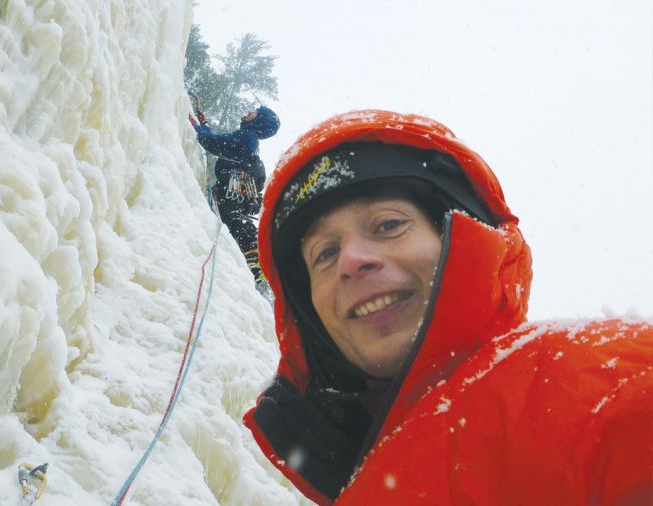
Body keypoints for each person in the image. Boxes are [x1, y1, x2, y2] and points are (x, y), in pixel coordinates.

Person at [242, 110, 653, 505]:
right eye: (325, 254)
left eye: (388, 225)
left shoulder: (609, 383)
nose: (351, 261)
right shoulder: (355, 470)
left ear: (461, 233)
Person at [190, 105, 280, 285]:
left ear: (259, 120)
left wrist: (197, 126)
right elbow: (216, 142)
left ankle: (254, 257)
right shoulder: (250, 140)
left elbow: (212, 143)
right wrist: (204, 124)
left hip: (231, 195)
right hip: (238, 194)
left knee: (233, 221)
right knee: (235, 222)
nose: (248, 112)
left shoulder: (247, 138)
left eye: (254, 112)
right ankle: (253, 257)